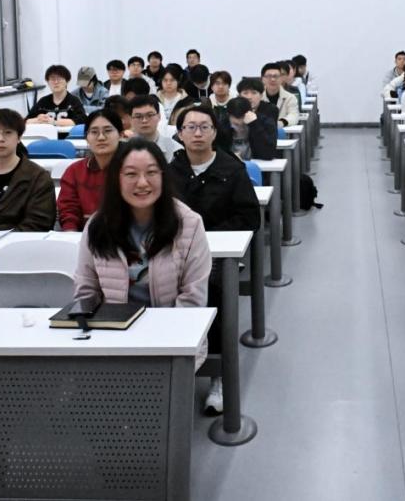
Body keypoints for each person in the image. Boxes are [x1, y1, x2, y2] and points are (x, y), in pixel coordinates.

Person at [72, 138, 212, 373]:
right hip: (112, 337)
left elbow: (193, 298)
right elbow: (86, 290)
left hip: (172, 338)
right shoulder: (97, 225)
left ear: (163, 176)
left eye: (151, 173)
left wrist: (155, 341)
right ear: (116, 179)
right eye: (130, 174)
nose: (142, 183)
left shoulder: (189, 224)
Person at [169, 104, 260, 413]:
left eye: (204, 127)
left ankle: (218, 373)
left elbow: (249, 216)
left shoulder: (231, 168)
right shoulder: (170, 171)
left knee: (212, 288)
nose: (197, 133)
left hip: (216, 253)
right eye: (190, 127)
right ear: (180, 134)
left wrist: (205, 237)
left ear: (214, 132)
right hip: (175, 251)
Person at [58, 109, 122, 231]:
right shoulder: (74, 171)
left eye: (108, 131)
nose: (101, 137)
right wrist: (71, 234)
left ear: (121, 134)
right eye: (94, 132)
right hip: (83, 236)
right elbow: (69, 212)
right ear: (86, 137)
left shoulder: (131, 169)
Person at [218, 96, 279, 160]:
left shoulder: (265, 123)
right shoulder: (222, 125)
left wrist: (254, 125)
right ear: (228, 116)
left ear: (251, 114)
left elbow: (269, 154)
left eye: (244, 125)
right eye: (236, 125)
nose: (240, 129)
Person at [129, 95, 179, 162]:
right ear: (130, 119)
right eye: (138, 116)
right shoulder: (122, 148)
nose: (144, 120)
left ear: (159, 116)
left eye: (149, 115)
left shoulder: (175, 149)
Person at [260, 62, 300, 127]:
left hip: (282, 130)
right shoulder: (257, 97)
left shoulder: (290, 97)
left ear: (281, 79)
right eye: (269, 76)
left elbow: (294, 116)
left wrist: (281, 123)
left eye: (276, 76)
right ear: (262, 79)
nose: (273, 79)